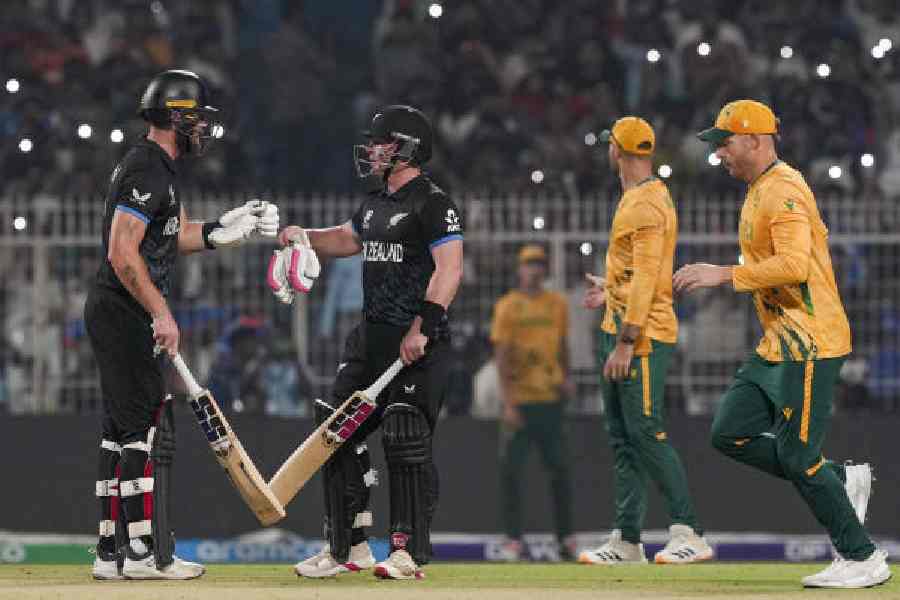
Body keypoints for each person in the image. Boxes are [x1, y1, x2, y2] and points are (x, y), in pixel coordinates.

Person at [675, 99, 889, 588]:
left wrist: (722, 274)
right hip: (780, 342)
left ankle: (862, 557)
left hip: (811, 339)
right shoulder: (758, 189)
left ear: (755, 139)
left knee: (796, 455)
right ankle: (839, 478)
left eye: (724, 143)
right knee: (729, 431)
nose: (719, 154)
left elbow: (794, 265)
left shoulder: (784, 189)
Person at [85, 69, 279, 581]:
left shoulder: (157, 169)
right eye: (196, 119)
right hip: (124, 310)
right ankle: (144, 555)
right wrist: (160, 312)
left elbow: (173, 236)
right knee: (143, 430)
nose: (203, 130)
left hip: (116, 308)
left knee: (118, 432)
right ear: (175, 117)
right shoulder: (148, 170)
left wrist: (222, 230)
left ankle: (111, 554)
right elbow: (122, 252)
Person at [272, 105, 463, 580]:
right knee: (335, 433)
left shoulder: (433, 203)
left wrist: (424, 325)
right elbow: (347, 238)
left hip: (418, 341)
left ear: (407, 148)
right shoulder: (375, 201)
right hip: (372, 339)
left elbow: (450, 267)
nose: (372, 151)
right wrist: (304, 237)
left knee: (404, 437)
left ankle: (406, 552)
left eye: (381, 143)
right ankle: (346, 548)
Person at [579, 117, 713, 565]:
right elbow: (638, 274)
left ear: (616, 151)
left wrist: (625, 341)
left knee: (646, 433)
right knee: (623, 437)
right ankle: (627, 539)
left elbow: (649, 279)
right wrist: (609, 288)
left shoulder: (645, 205)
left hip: (641, 337)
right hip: (623, 326)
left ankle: (688, 530)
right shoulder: (641, 199)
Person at [490, 244, 575, 562]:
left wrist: (567, 376)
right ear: (519, 269)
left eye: (539, 264)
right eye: (529, 264)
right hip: (521, 401)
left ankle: (565, 539)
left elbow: (563, 344)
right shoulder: (508, 307)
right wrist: (508, 402)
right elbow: (501, 357)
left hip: (551, 398)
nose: (534, 270)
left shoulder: (558, 304)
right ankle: (513, 539)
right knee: (511, 473)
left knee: (560, 472)